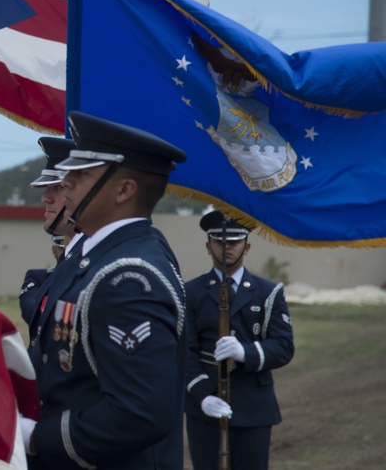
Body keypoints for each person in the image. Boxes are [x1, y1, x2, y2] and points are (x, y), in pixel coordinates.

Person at [24, 111, 188, 470]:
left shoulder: (127, 278)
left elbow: (139, 412)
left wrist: (37, 439)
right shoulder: (95, 257)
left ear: (124, 190)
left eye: (81, 174)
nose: (65, 183)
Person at [184, 210, 295, 470]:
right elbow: (184, 350)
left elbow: (283, 347)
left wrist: (245, 352)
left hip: (253, 405)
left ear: (247, 246)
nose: (226, 248)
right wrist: (202, 396)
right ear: (208, 245)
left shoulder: (269, 292)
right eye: (220, 242)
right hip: (206, 404)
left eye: (234, 242)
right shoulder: (190, 292)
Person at [19, 136, 75, 327]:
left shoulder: (96, 256)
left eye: (57, 188)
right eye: (46, 188)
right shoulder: (77, 256)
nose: (45, 198)